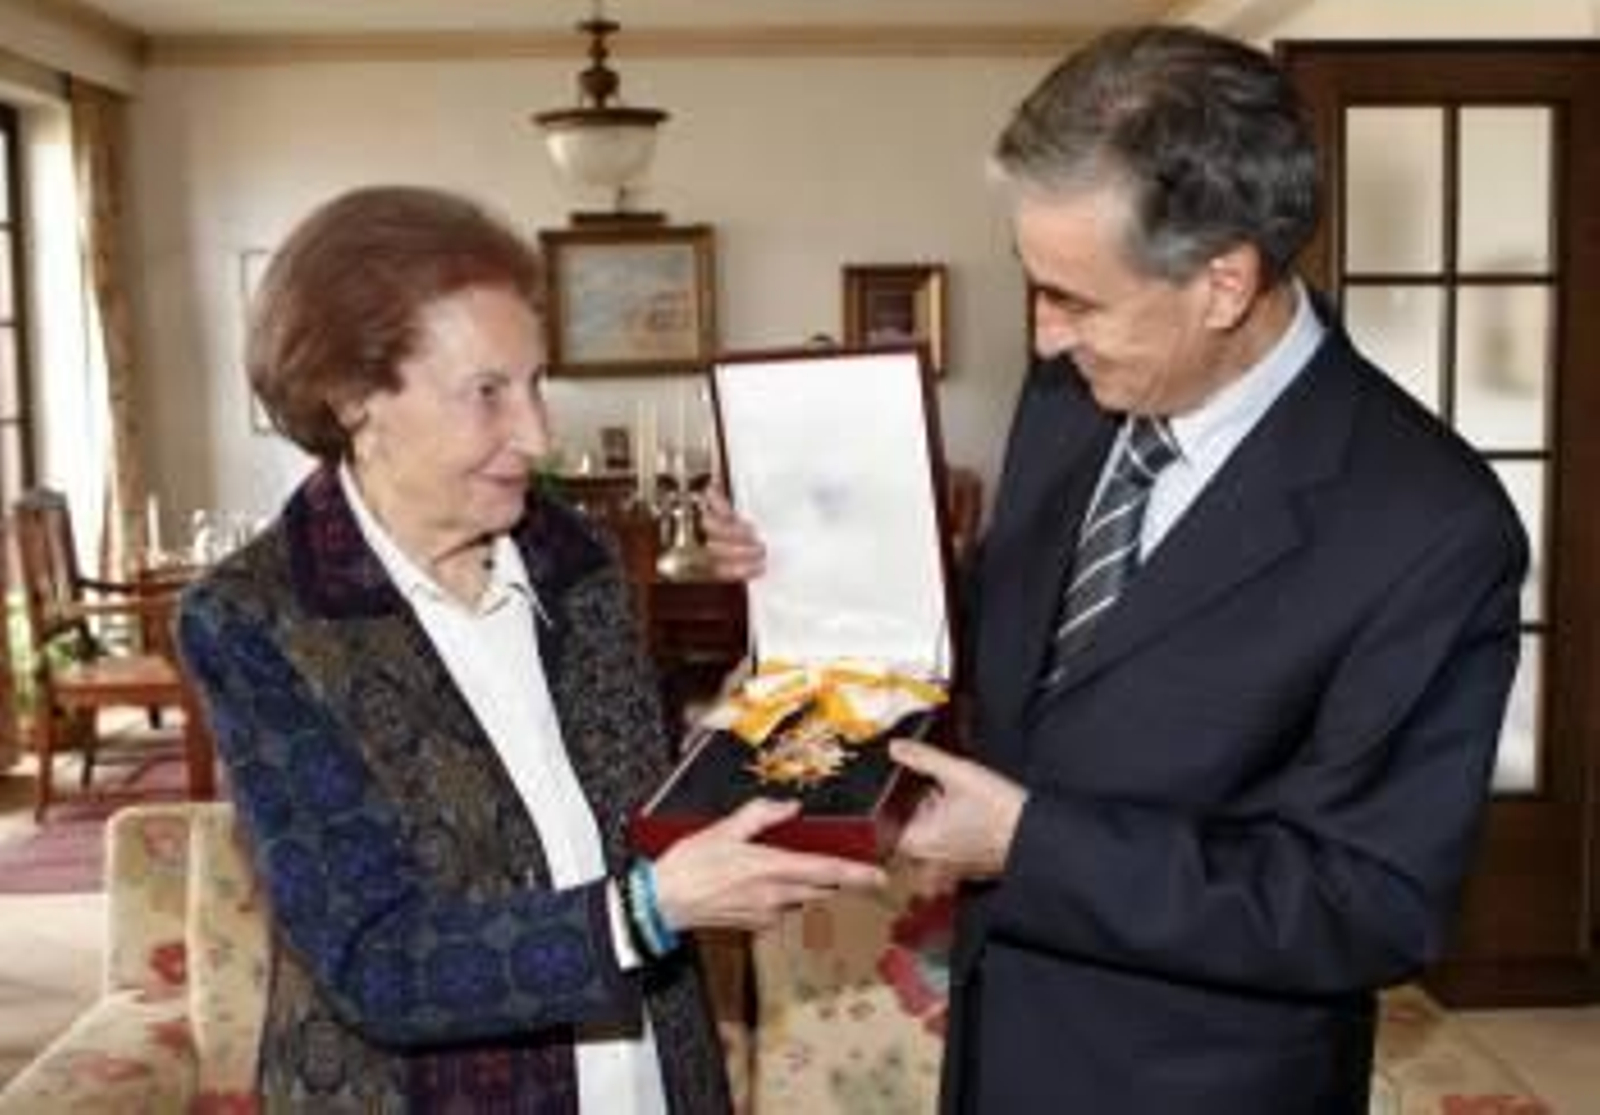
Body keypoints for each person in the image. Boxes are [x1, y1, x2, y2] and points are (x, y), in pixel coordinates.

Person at [706, 25, 1528, 1114]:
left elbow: (1369, 901)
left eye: (1077, 300)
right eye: (1033, 288)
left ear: (1223, 282)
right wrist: (823, 573)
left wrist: (1027, 843)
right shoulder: (1071, 400)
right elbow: (1020, 648)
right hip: (997, 1042)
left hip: (1201, 1081)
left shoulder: (1428, 523)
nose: (1043, 340)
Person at [176, 185, 883, 1112]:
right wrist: (650, 910)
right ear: (353, 398)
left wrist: (786, 637)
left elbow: (641, 796)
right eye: (487, 394)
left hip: (646, 1072)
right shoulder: (260, 618)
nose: (539, 435)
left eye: (537, 383)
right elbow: (376, 958)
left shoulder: (571, 554)